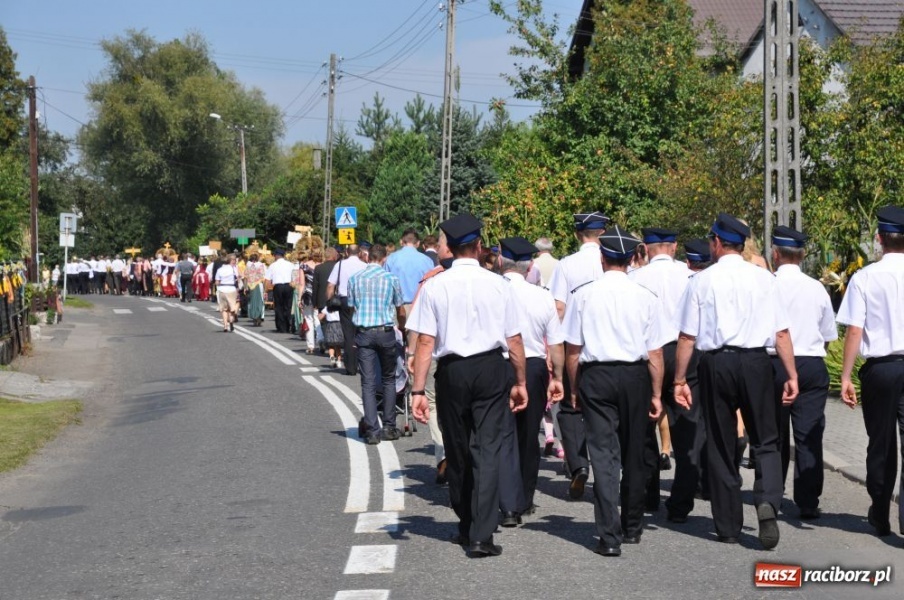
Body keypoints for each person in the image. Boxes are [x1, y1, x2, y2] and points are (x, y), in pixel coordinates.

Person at [673, 213, 798, 550]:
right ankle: (768, 500)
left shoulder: (700, 281)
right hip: (757, 361)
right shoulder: (764, 279)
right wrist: (791, 374)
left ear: (715, 243)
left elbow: (687, 337)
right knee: (766, 438)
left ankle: (728, 525)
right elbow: (782, 333)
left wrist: (680, 379)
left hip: (716, 363)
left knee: (720, 442)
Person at [408, 213, 529, 558]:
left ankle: (465, 524)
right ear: (478, 246)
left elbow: (425, 343)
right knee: (488, 450)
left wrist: (418, 390)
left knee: (457, 449)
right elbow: (515, 340)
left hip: (452, 372)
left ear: (449, 249)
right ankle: (481, 534)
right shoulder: (499, 284)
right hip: (491, 368)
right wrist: (520, 381)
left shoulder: (435, 285)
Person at [562, 225, 668, 557]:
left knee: (604, 455)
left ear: (604, 258)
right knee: (635, 452)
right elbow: (655, 354)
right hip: (636, 376)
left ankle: (609, 535)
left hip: (596, 375)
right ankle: (633, 526)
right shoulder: (646, 297)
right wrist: (656, 394)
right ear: (629, 258)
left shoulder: (583, 294)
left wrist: (575, 388)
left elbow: (573, 351)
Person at [837, 204, 904, 537]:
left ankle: (880, 513)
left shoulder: (865, 277)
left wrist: (846, 376)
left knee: (881, 444)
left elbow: (854, 330)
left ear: (880, 239)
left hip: (880, 368)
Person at [767, 225, 837, 520]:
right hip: (810, 363)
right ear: (803, 254)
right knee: (809, 435)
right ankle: (808, 501)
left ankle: (771, 495)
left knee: (773, 434)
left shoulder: (766, 284)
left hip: (774, 363)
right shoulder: (817, 287)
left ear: (775, 253)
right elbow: (828, 333)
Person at [629, 227, 700, 522]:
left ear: (646, 248)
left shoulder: (636, 277)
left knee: (646, 425)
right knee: (688, 427)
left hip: (650, 354)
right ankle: (681, 503)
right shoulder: (690, 276)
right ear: (673, 247)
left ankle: (649, 495)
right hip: (685, 351)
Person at [496, 237, 565, 524]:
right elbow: (557, 343)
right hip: (534, 366)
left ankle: (504, 501)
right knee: (527, 435)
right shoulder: (542, 295)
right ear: (530, 266)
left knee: (499, 434)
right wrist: (558, 376)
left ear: (501, 262)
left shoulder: (494, 290)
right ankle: (523, 499)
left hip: (498, 363)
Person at [548, 211, 609, 500]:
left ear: (577, 234)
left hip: (575, 345)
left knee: (571, 409)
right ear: (604, 233)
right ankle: (605, 468)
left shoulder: (567, 264)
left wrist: (554, 350)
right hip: (608, 347)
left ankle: (579, 465)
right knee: (605, 410)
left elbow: (558, 308)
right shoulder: (612, 259)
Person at [406, 233, 454, 485]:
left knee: (434, 404)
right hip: (475, 358)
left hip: (434, 352)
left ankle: (443, 454)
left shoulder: (431, 281)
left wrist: (412, 352)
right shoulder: (486, 280)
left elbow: (419, 324)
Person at [347, 244, 406, 444]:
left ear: (367, 257)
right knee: (389, 378)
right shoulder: (391, 279)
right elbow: (400, 309)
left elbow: (352, 307)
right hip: (385, 332)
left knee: (368, 382)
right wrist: (403, 328)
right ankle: (389, 426)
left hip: (364, 333)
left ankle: (372, 430)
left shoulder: (355, 279)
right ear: (384, 258)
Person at [327, 245, 368, 375]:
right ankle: (363, 365)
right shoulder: (365, 266)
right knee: (361, 332)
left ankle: (350, 367)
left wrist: (329, 301)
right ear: (360, 253)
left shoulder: (339, 265)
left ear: (346, 252)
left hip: (344, 300)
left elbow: (330, 285)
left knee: (348, 333)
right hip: (362, 300)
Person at [383, 228, 434, 315]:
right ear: (418, 243)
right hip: (420, 308)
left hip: (397, 308)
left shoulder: (391, 259)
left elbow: (384, 283)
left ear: (401, 242)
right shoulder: (427, 261)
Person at [266, 248, 294, 333]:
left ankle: (281, 327)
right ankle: (288, 325)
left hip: (278, 287)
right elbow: (294, 276)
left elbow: (267, 279)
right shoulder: (290, 264)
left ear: (276, 256)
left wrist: (266, 290)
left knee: (279, 307)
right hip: (289, 286)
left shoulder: (273, 265)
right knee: (288, 306)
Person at [215, 254, 241, 333]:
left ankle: (225, 325)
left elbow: (217, 282)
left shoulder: (219, 270)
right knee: (233, 306)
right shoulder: (233, 269)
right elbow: (238, 277)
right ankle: (231, 319)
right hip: (231, 289)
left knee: (224, 309)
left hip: (222, 289)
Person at [244, 253, 267, 326]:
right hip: (259, 284)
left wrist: (245, 287)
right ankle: (260, 316)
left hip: (251, 285)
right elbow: (264, 276)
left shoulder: (248, 265)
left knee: (252, 301)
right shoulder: (261, 265)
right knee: (260, 301)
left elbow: (245, 277)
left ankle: (254, 317)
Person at [319, 304, 344, 368]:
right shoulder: (339, 306)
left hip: (330, 325)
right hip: (338, 325)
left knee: (331, 345)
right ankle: (339, 361)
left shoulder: (327, 306)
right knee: (338, 345)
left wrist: (320, 317)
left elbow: (321, 316)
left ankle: (332, 357)